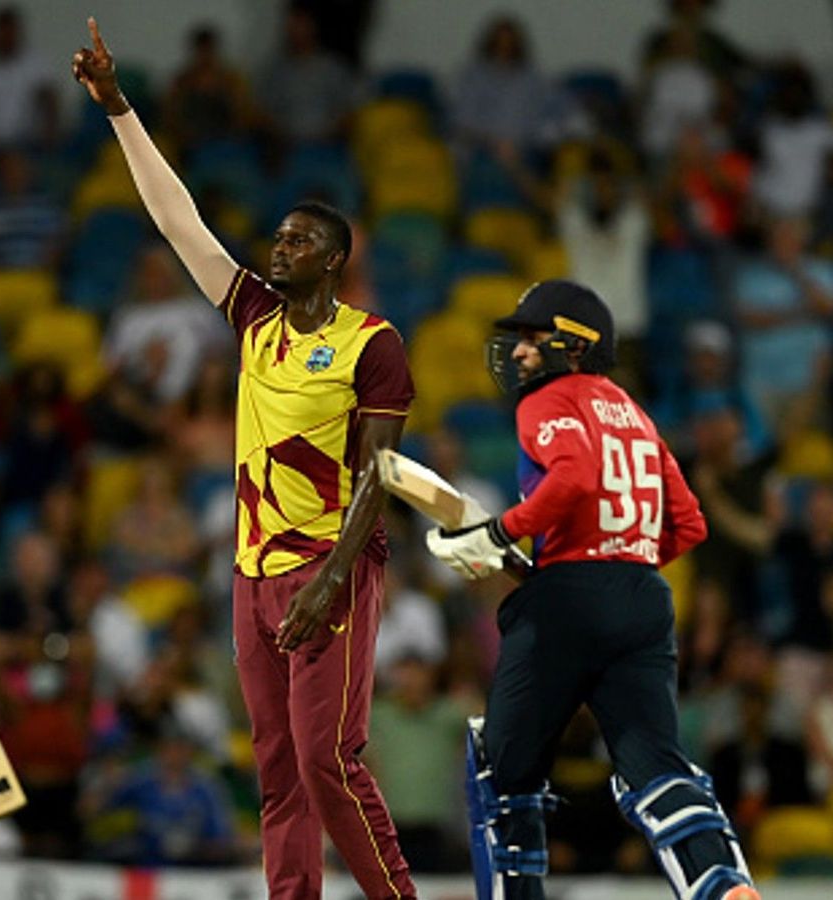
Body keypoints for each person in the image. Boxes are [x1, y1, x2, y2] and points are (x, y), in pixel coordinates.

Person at [74, 20, 418, 899]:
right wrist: (119, 108)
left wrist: (333, 577)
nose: (279, 248)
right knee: (276, 775)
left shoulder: (371, 345)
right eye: (277, 238)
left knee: (327, 759)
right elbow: (175, 216)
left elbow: (381, 477)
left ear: (335, 260)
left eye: (299, 241)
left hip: (327, 568)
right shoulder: (254, 320)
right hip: (250, 571)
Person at [424, 279, 759, 900]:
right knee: (654, 768)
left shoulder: (546, 401)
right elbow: (690, 523)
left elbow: (574, 477)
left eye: (532, 337)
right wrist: (619, 560)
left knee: (501, 770)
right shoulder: (632, 411)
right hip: (643, 596)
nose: (519, 352)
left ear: (573, 347)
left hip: (566, 604)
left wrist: (502, 531)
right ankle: (721, 884)